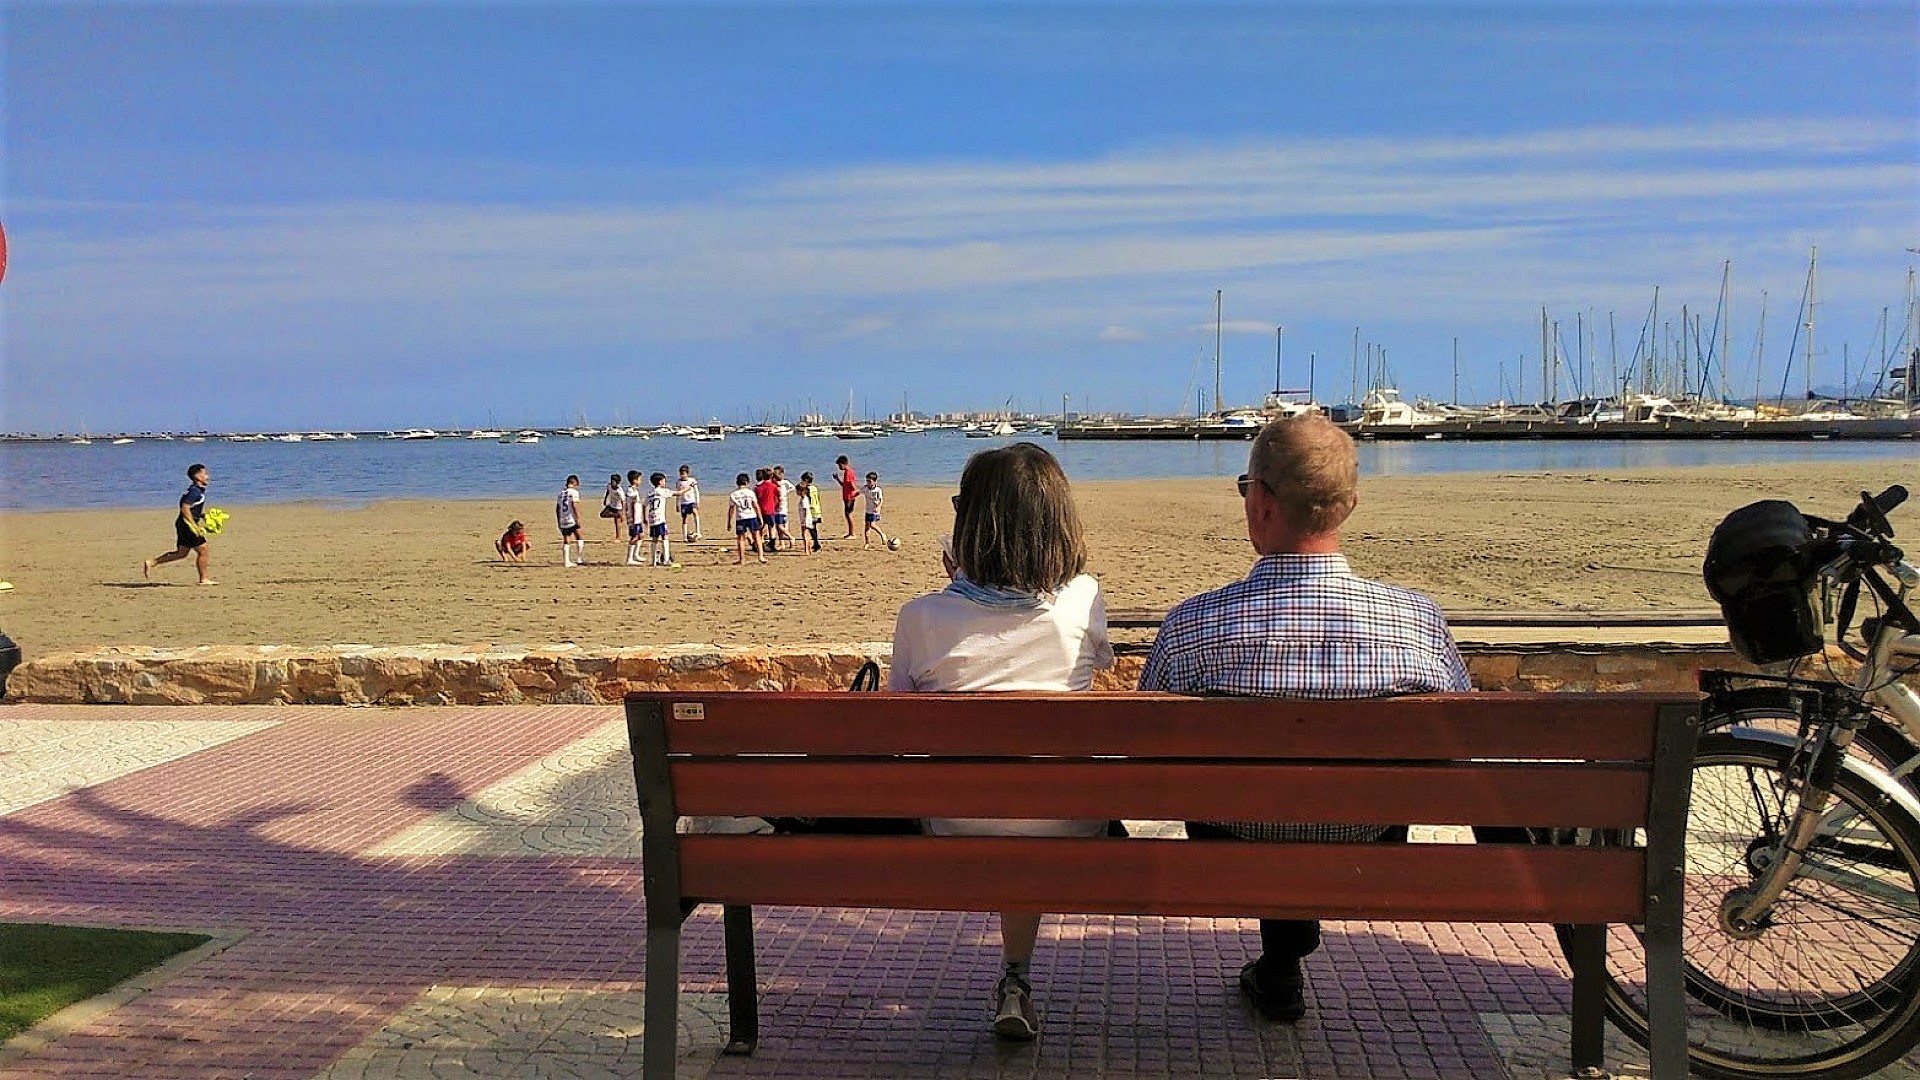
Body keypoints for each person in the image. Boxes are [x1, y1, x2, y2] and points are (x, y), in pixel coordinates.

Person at [1137, 414, 1469, 1025]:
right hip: (1367, 843)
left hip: (1230, 846)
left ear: (1261, 503)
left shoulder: (1192, 626)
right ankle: (1282, 959)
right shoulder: (1415, 622)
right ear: (1348, 506)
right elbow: (1460, 742)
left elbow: (1144, 752)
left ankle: (1281, 958)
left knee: (1254, 797)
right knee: (1325, 797)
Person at [888, 442, 1113, 1042]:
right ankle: (1015, 974)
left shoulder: (919, 618)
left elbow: (899, 727)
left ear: (970, 526)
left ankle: (1016, 975)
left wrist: (958, 588)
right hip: (1067, 824)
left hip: (955, 823)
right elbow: (1099, 662)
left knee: (1003, 804)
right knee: (1033, 801)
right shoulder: (1083, 599)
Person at [142, 463, 216, 585]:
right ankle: (204, 579)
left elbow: (191, 508)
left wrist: (204, 516)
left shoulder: (195, 491)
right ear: (197, 476)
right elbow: (185, 508)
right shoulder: (195, 492)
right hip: (187, 525)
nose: (207, 476)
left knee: (182, 553)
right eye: (205, 474)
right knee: (203, 549)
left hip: (182, 524)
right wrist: (194, 525)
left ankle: (152, 562)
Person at [727, 472, 765, 565]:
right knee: (757, 537)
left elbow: (731, 509)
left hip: (741, 518)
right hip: (751, 516)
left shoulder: (733, 494)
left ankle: (742, 559)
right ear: (747, 482)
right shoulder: (750, 492)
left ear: (737, 483)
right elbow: (756, 506)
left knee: (741, 539)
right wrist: (760, 518)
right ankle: (761, 556)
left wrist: (729, 522)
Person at [645, 472, 677, 567]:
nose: (665, 482)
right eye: (664, 481)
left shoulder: (650, 493)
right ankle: (666, 560)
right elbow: (677, 493)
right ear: (660, 482)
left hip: (652, 518)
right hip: (660, 518)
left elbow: (644, 505)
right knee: (664, 537)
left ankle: (653, 561)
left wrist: (644, 517)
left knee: (654, 539)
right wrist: (688, 488)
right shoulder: (662, 491)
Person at [556, 474, 586, 566]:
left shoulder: (561, 493)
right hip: (571, 518)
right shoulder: (574, 493)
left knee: (566, 540)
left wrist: (559, 520)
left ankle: (566, 561)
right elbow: (574, 506)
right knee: (579, 536)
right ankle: (579, 558)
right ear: (574, 483)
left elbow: (557, 508)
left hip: (563, 519)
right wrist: (578, 518)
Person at [861, 471, 892, 549]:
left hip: (874, 510)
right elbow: (858, 492)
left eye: (869, 481)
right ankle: (867, 543)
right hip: (868, 510)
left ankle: (882, 534)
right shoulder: (865, 488)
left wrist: (878, 507)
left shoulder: (878, 490)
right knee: (866, 527)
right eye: (867, 481)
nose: (868, 483)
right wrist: (852, 496)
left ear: (874, 481)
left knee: (872, 525)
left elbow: (881, 500)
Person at [795, 471, 822, 555]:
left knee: (811, 529)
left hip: (811, 510)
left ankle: (816, 543)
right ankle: (815, 543)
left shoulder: (807, 489)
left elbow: (808, 500)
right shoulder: (815, 488)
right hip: (817, 509)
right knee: (813, 528)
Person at [623, 470, 646, 566]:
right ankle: (629, 558)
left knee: (641, 535)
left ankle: (636, 554)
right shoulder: (631, 491)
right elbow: (631, 506)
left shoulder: (635, 491)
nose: (641, 481)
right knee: (634, 537)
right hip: (634, 519)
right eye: (639, 479)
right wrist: (631, 519)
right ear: (634, 480)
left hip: (638, 518)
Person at [772, 465, 796, 552]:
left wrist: (785, 492)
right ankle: (782, 543)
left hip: (782, 507)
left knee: (780, 526)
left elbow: (793, 487)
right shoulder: (773, 483)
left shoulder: (784, 482)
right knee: (778, 527)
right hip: (775, 507)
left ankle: (791, 537)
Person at [675, 465, 701, 541]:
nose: (682, 475)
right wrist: (677, 503)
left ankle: (698, 532)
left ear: (687, 473)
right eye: (681, 474)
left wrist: (697, 501)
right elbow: (678, 493)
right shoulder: (678, 482)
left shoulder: (692, 480)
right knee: (684, 518)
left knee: (695, 512)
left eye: (684, 474)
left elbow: (696, 491)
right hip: (684, 502)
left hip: (691, 501)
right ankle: (685, 536)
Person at [835, 454, 858, 538]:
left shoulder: (848, 472)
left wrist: (855, 492)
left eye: (839, 465)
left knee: (848, 514)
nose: (839, 467)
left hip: (849, 497)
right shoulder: (847, 472)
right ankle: (850, 532)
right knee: (847, 514)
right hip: (847, 497)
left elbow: (852, 484)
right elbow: (844, 485)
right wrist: (837, 479)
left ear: (844, 464)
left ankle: (852, 533)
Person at [601, 473, 626, 541]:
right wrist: (605, 499)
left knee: (617, 523)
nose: (612, 482)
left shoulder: (619, 491)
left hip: (618, 508)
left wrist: (623, 512)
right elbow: (608, 491)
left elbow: (623, 501)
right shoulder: (609, 486)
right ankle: (617, 515)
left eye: (614, 481)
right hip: (611, 505)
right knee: (602, 514)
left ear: (617, 483)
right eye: (611, 481)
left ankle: (618, 537)